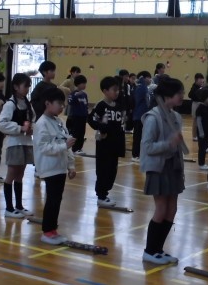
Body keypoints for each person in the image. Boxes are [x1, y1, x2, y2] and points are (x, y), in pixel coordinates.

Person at [140, 77, 186, 264]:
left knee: (172, 209)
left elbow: (177, 147)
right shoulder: (153, 118)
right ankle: (150, 251)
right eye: (179, 93)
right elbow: (148, 147)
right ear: (168, 95)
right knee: (161, 208)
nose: (182, 96)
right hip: (158, 167)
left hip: (173, 166)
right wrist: (169, 143)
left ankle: (158, 249)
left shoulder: (176, 117)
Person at [33, 87, 77, 245]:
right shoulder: (41, 123)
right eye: (59, 103)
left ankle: (52, 229)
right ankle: (47, 231)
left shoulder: (59, 122)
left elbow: (67, 143)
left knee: (57, 199)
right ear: (48, 103)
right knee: (52, 199)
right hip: (50, 168)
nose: (62, 107)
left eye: (63, 104)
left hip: (60, 167)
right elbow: (43, 147)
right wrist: (64, 146)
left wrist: (71, 165)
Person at [0, 73, 35, 218]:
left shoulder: (27, 103)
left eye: (28, 86)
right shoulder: (10, 104)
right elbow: (1, 124)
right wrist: (19, 128)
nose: (27, 89)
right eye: (25, 86)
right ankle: (9, 208)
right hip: (14, 144)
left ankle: (19, 206)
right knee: (11, 175)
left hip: (26, 143)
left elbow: (33, 119)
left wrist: (32, 128)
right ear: (16, 87)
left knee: (20, 175)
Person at [88, 76, 125, 207]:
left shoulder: (119, 106)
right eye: (114, 90)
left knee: (112, 171)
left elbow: (121, 124)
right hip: (104, 144)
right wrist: (101, 129)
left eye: (118, 90)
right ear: (105, 91)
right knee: (103, 169)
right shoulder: (101, 105)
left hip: (116, 143)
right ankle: (101, 196)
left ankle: (105, 193)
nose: (117, 92)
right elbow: (91, 119)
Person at [65, 75, 89, 155]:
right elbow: (70, 102)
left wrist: (86, 114)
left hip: (83, 117)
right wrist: (75, 96)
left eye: (85, 83)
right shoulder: (73, 94)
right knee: (76, 132)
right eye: (83, 83)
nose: (84, 85)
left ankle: (79, 148)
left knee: (82, 133)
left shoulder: (84, 95)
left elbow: (86, 105)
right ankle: (74, 148)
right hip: (76, 117)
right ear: (78, 84)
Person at [131, 71, 152, 162]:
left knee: (142, 136)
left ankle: (140, 153)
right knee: (138, 136)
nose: (150, 80)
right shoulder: (141, 87)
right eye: (149, 78)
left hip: (142, 115)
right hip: (139, 115)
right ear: (144, 78)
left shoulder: (142, 87)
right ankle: (135, 155)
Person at [195, 88, 208, 170]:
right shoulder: (200, 108)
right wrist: (201, 132)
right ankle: (201, 163)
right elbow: (198, 121)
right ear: (204, 98)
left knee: (205, 146)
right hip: (202, 132)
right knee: (202, 148)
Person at [188, 72, 205, 142]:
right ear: (196, 80)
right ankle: (194, 136)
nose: (201, 81)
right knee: (195, 120)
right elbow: (190, 95)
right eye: (200, 80)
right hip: (196, 104)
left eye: (202, 79)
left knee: (200, 121)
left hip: (201, 104)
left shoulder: (202, 87)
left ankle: (199, 135)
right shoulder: (194, 87)